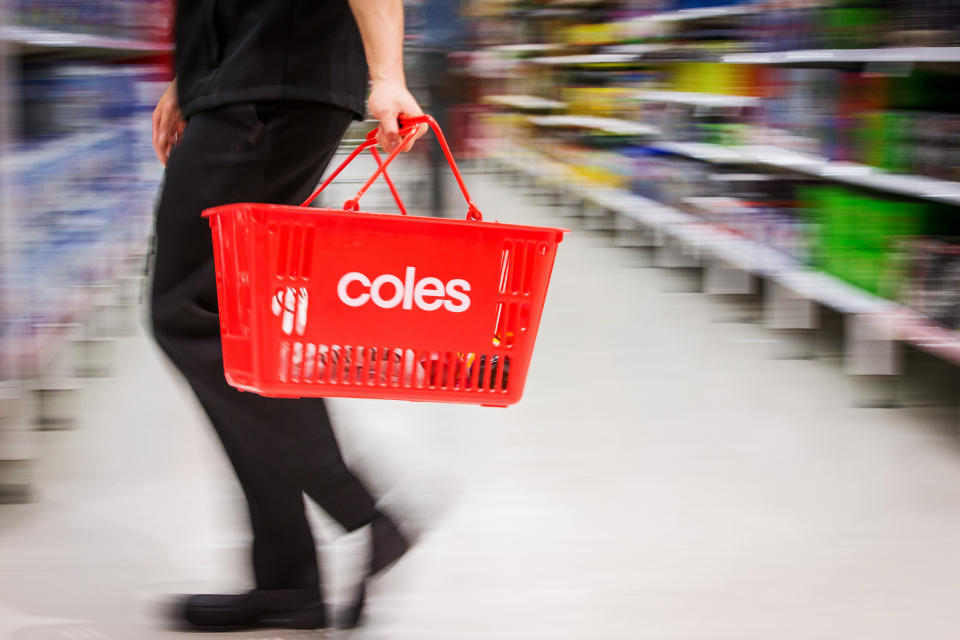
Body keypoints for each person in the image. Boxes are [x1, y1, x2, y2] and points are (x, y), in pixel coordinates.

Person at [149, 0, 426, 631]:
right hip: (248, 80)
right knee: (238, 331)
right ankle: (287, 581)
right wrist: (193, 78)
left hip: (272, 87)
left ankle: (364, 515)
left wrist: (387, 74)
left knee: (188, 313)